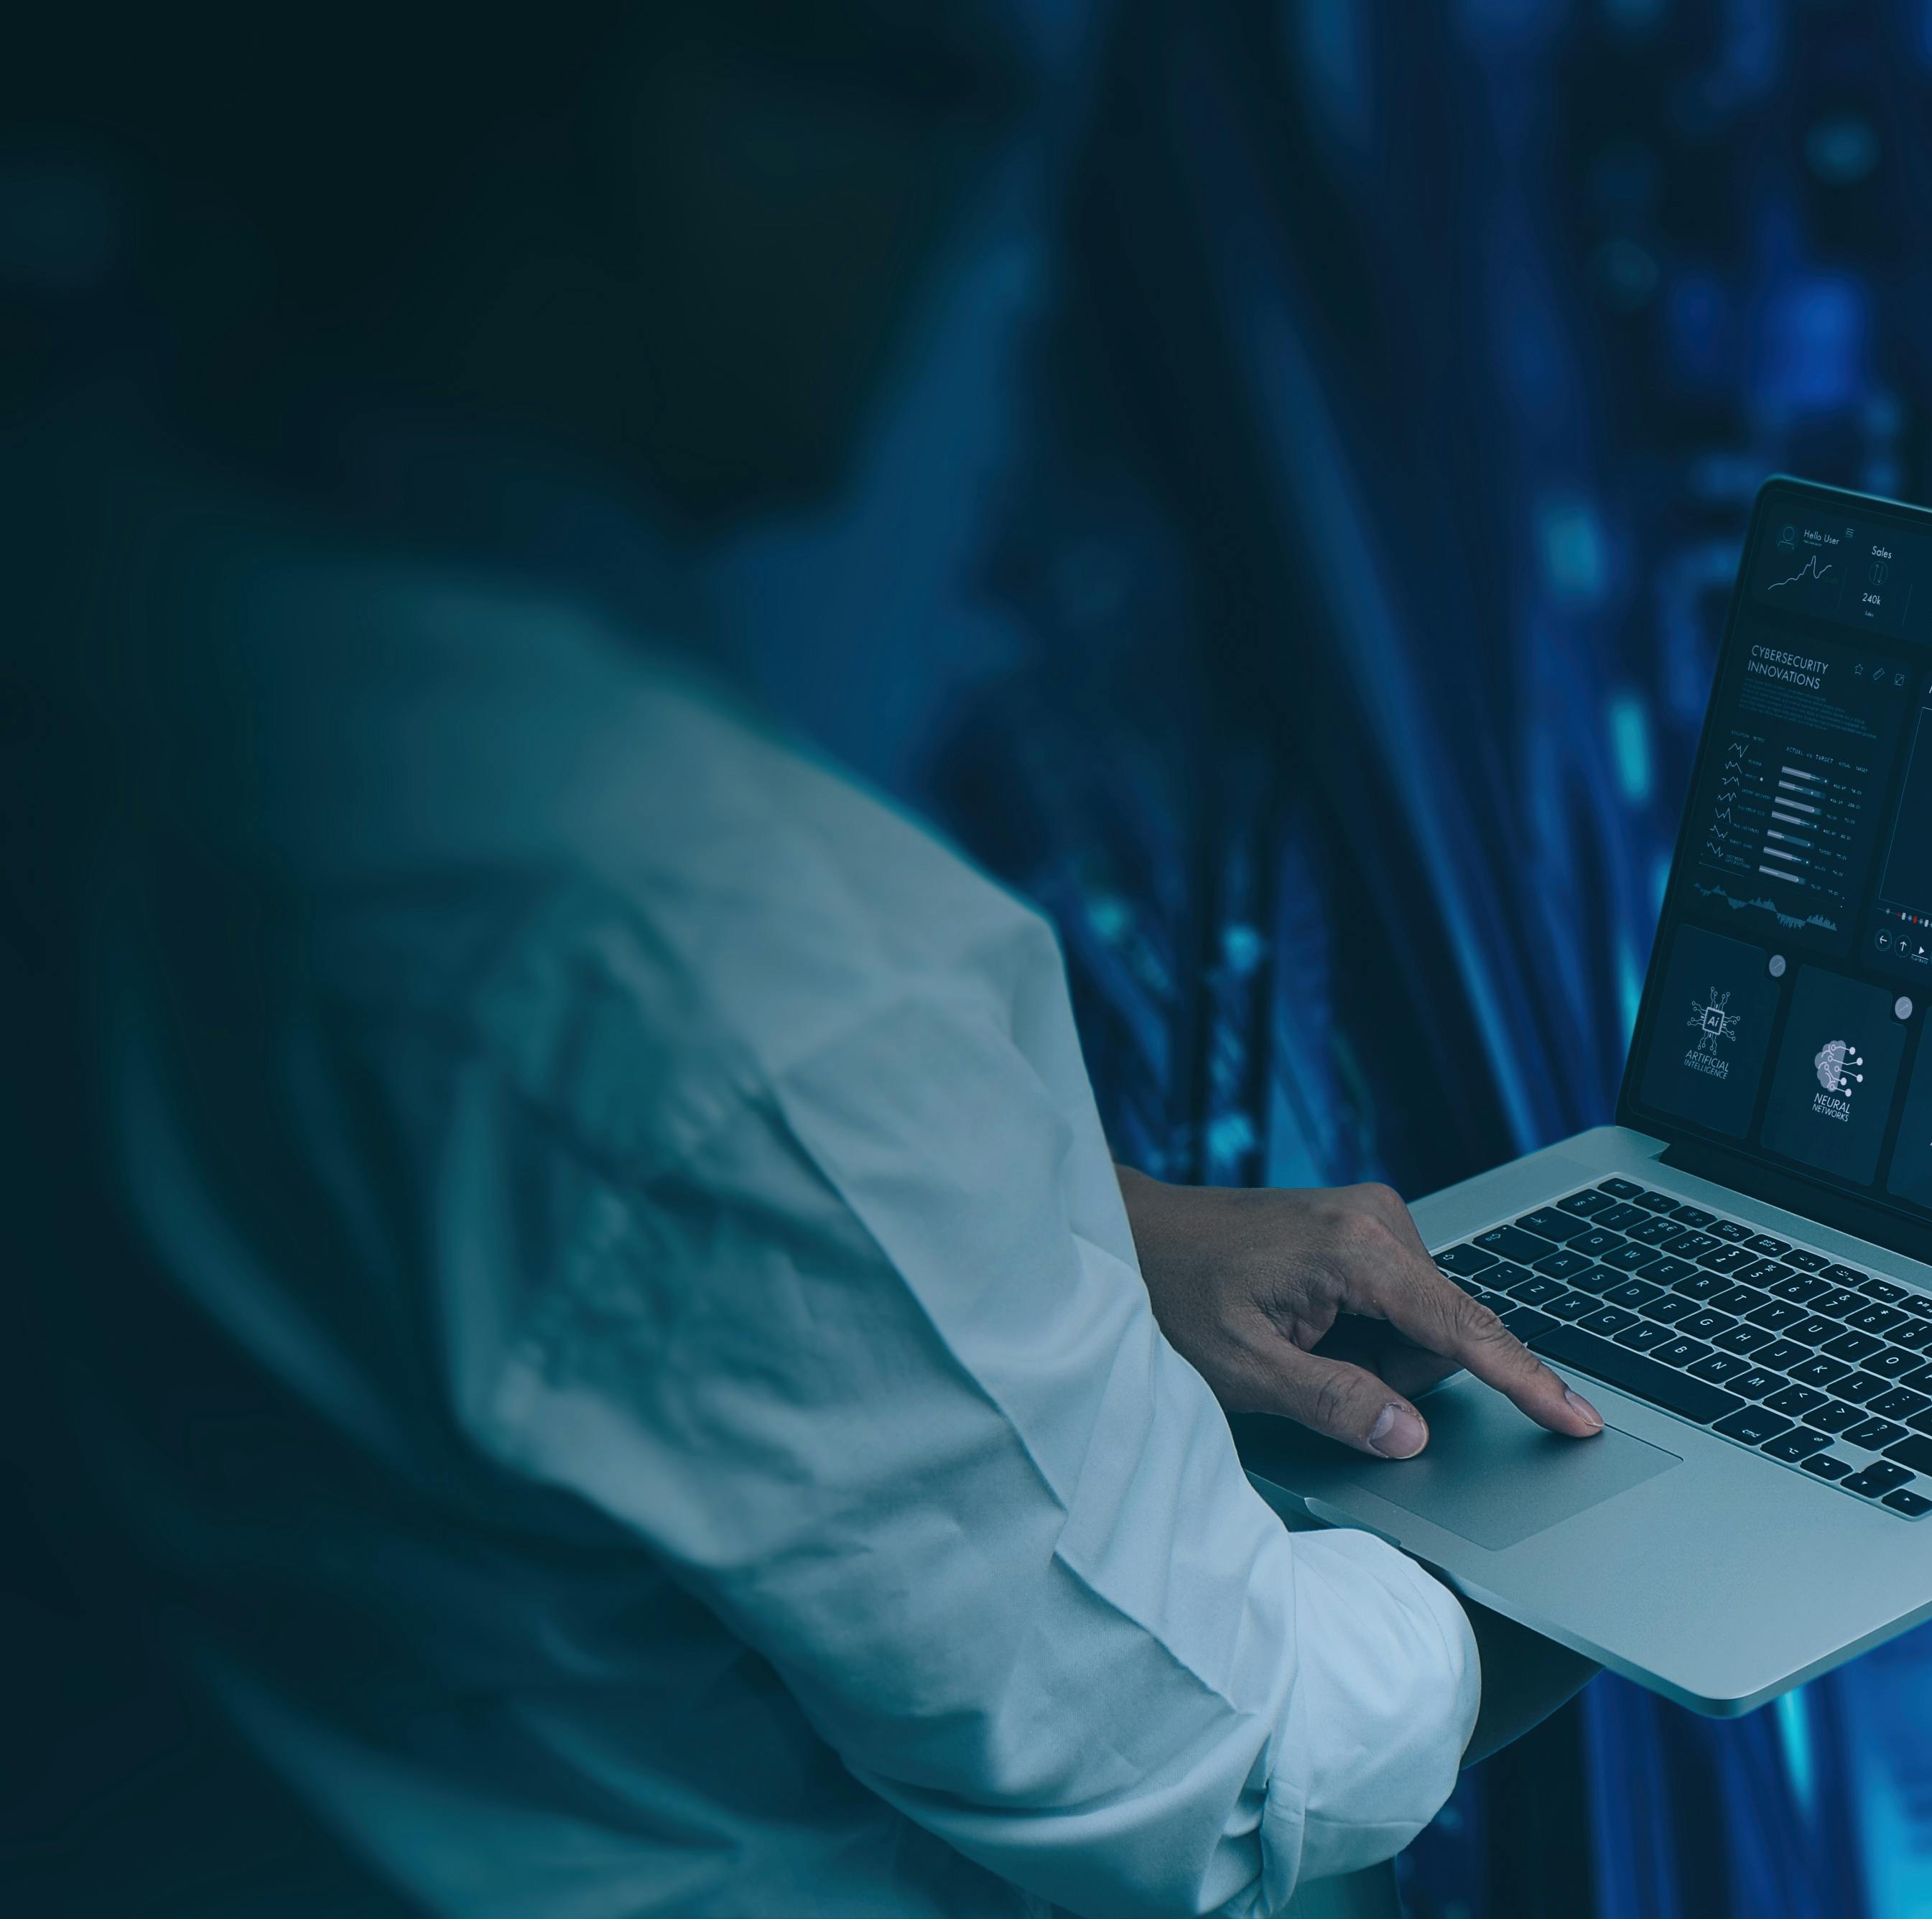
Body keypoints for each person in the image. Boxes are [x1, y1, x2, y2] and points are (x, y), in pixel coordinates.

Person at [0, 4, 1597, 1913]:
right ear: (637, 114)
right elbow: (1236, 1775)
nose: (969, 221)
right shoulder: (735, 958)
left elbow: (540, 1180)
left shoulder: (93, 581)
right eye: (928, 93)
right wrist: (1654, 1531)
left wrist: (1081, 1227)